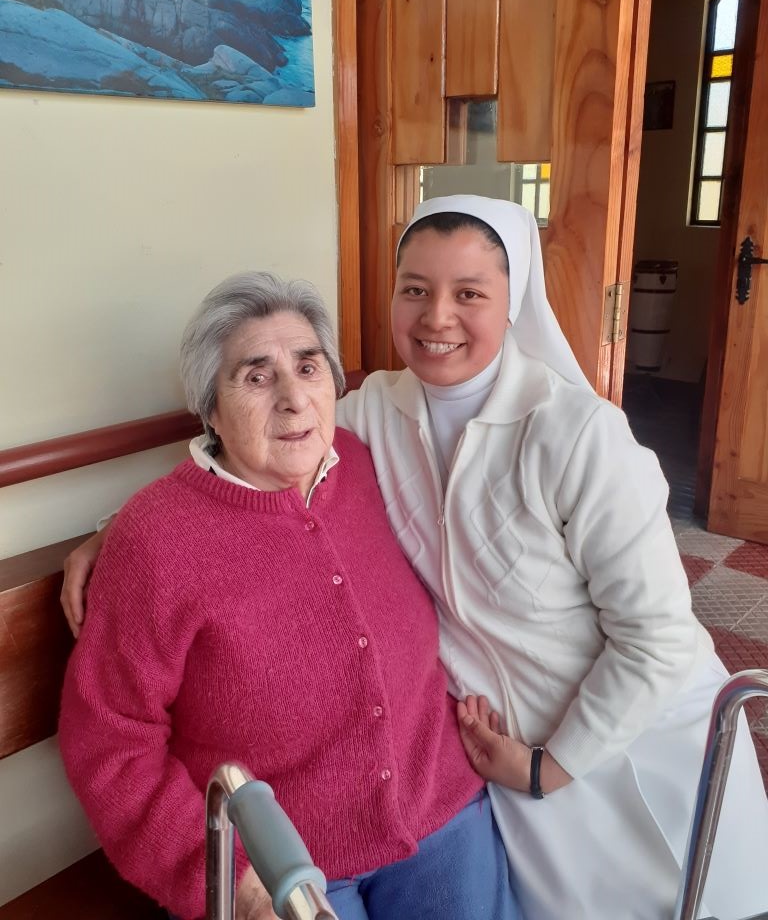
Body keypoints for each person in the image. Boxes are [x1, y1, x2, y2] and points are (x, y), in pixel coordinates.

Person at [63, 195, 768, 919]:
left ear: (512, 302)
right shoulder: (372, 415)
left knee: (681, 895)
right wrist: (117, 532)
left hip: (610, 739)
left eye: (470, 293)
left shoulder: (578, 435)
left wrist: (546, 767)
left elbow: (655, 635)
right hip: (485, 766)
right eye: (415, 290)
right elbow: (233, 478)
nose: (437, 317)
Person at [58, 272, 520, 920]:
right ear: (211, 410)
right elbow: (112, 745)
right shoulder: (153, 541)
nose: (294, 399)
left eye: (308, 368)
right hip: (283, 869)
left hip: (440, 810)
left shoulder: (363, 458)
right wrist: (229, 881)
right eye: (255, 376)